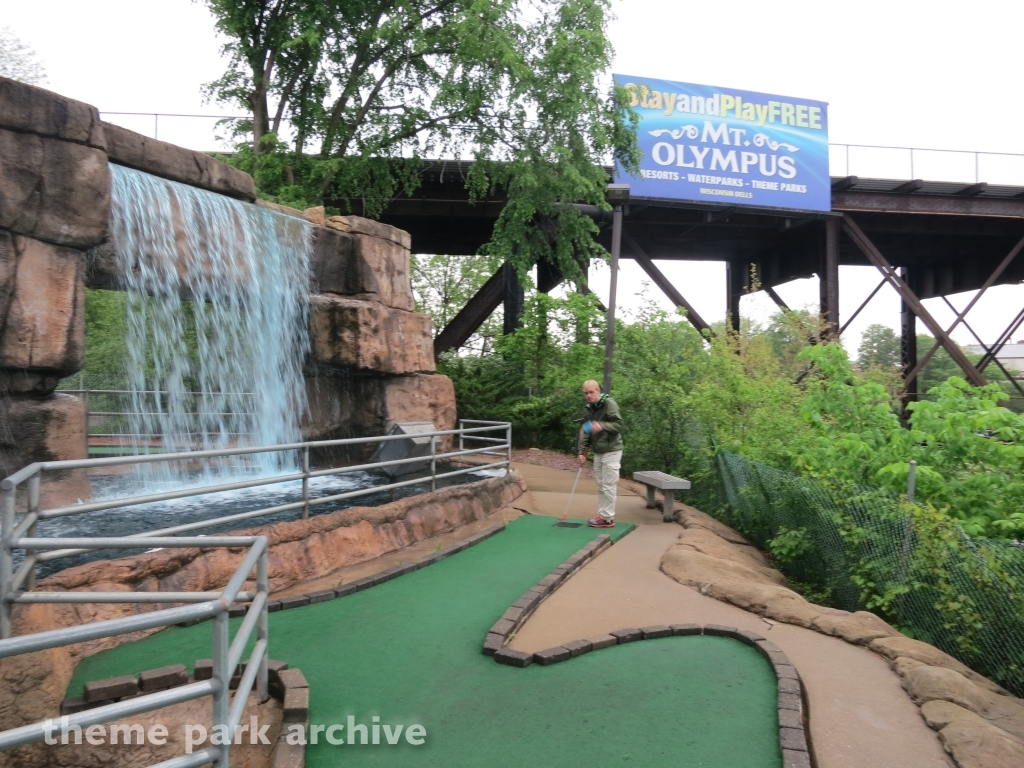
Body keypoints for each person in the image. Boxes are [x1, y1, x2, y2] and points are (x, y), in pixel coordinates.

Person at [577, 379, 624, 528]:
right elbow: (587, 431)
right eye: (586, 393)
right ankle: (603, 515)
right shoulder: (590, 409)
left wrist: (601, 425)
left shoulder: (609, 404)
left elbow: (619, 425)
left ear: (598, 391)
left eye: (591, 392)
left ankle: (608, 518)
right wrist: (582, 452)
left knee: (609, 484)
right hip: (598, 450)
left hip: (612, 449)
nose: (589, 395)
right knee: (600, 485)